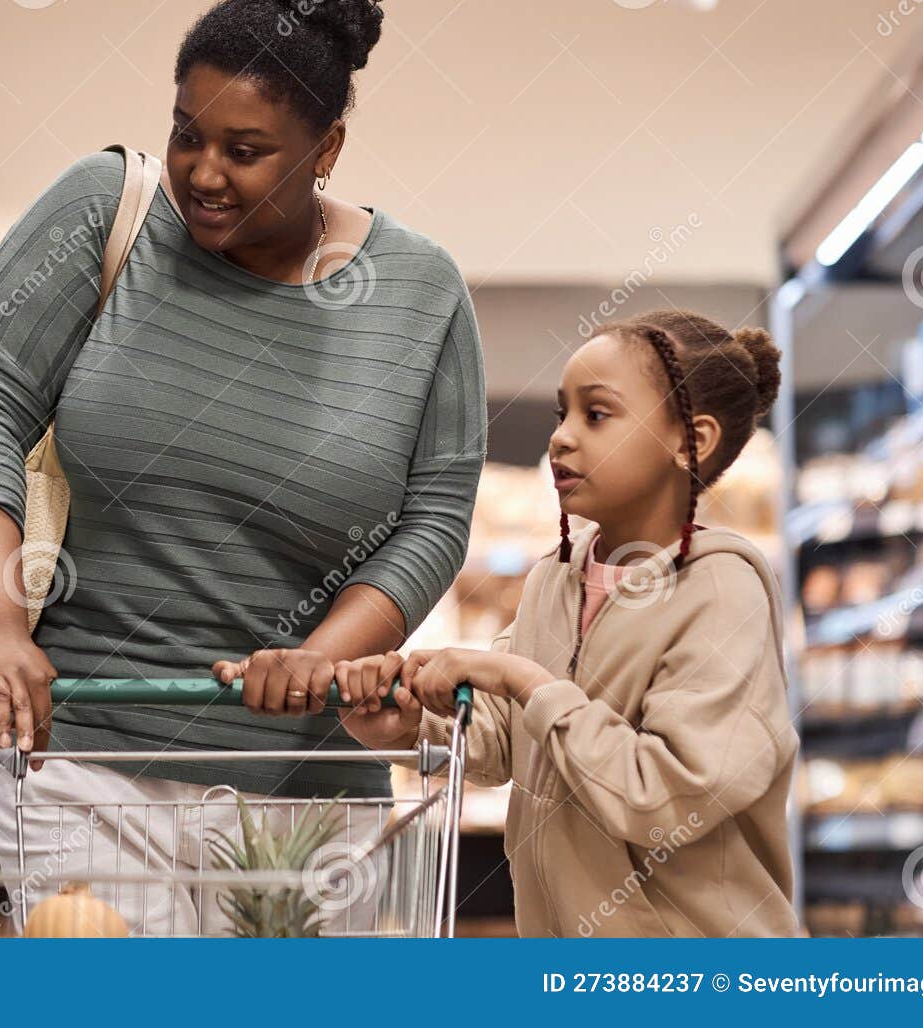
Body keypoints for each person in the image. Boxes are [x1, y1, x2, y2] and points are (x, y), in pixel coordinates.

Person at [0, 0, 486, 933]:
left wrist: (324, 651)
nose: (203, 173)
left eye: (244, 150)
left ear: (326, 152)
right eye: (188, 133)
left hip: (304, 803)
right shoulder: (108, 211)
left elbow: (434, 517)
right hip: (82, 763)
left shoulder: (419, 291)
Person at [335, 309, 799, 937]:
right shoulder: (554, 580)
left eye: (597, 415)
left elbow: (663, 797)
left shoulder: (719, 590)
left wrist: (524, 680)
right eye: (562, 414)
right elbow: (507, 741)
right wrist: (413, 724)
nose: (561, 438)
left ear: (692, 441)